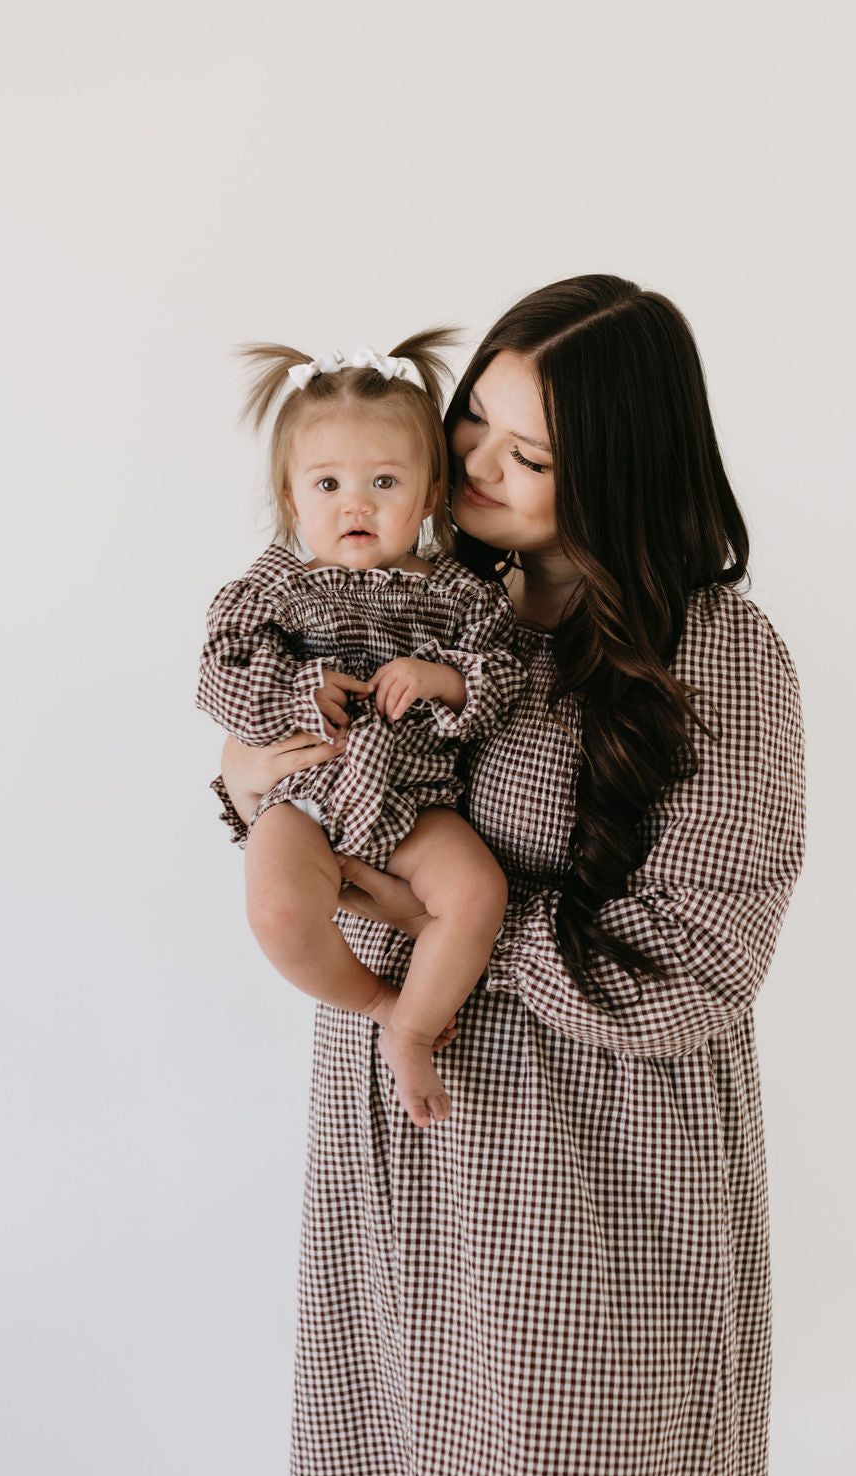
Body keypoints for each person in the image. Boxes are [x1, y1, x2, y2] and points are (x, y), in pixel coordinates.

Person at [217, 276, 806, 1476]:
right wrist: (254, 771)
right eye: (472, 417)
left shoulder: (714, 650)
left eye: (526, 449)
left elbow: (703, 958)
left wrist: (458, 929)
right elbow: (317, 796)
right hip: (403, 1142)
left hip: (592, 1164)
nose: (472, 461)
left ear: (620, 467)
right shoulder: (416, 597)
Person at [199, 333, 525, 1128]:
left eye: (384, 481)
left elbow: (504, 677)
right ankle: (378, 1001)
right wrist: (300, 691)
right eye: (329, 483)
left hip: (415, 799)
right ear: (291, 498)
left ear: (428, 496)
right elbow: (221, 675)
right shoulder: (275, 588)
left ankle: (415, 1025)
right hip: (307, 796)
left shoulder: (458, 592)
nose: (357, 504)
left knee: (477, 891)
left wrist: (441, 678)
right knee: (277, 909)